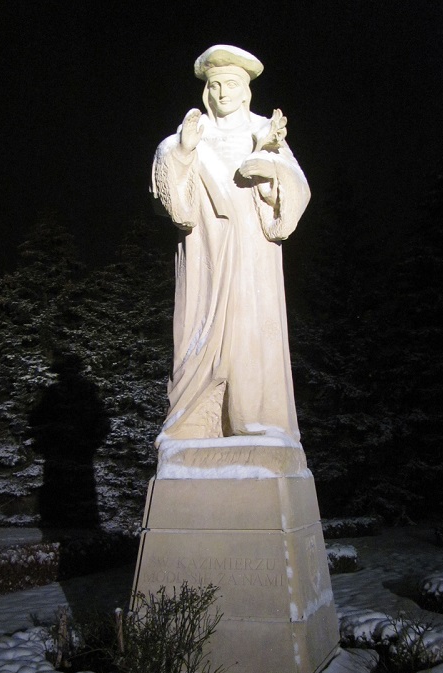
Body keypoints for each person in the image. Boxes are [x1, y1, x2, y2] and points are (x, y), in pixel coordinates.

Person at [152, 45, 310, 445]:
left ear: (246, 91)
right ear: (206, 91)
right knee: (200, 330)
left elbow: (297, 189)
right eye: (216, 85)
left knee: (250, 330)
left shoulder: (263, 133)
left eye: (231, 85)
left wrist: (270, 170)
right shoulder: (191, 134)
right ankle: (194, 422)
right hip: (206, 252)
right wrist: (183, 151)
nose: (223, 93)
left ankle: (256, 417)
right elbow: (173, 205)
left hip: (253, 254)